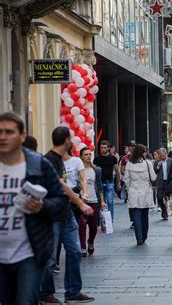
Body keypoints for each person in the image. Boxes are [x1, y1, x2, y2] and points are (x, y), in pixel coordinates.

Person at [0, 112, 68, 305]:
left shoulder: (38, 164)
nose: (3, 136)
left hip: (28, 251)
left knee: (26, 300)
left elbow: (61, 201)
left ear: (22, 136)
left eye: (9, 132)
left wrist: (42, 205)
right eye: (0, 132)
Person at [40, 126, 94, 304]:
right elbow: (61, 185)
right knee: (49, 258)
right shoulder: (49, 160)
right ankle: (46, 293)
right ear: (67, 141)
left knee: (74, 251)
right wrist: (80, 202)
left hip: (66, 213)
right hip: (53, 215)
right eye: (70, 138)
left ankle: (73, 291)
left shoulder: (61, 159)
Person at [124, 144, 157, 245]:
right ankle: (144, 235)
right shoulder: (147, 163)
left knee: (136, 214)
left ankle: (139, 237)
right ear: (142, 152)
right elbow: (153, 178)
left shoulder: (129, 164)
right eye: (145, 151)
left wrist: (129, 188)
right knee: (144, 214)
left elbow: (126, 179)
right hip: (145, 191)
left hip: (133, 191)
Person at [79, 147, 106, 256]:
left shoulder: (96, 170)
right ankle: (83, 248)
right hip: (82, 201)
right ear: (81, 156)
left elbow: (99, 187)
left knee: (94, 226)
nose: (88, 156)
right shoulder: (79, 170)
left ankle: (90, 241)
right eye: (86, 154)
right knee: (82, 225)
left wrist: (102, 201)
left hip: (94, 200)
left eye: (90, 154)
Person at [94, 140, 121, 221]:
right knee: (101, 202)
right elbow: (94, 172)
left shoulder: (113, 158)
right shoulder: (97, 159)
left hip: (110, 182)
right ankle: (102, 219)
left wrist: (118, 182)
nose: (103, 149)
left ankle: (110, 219)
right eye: (102, 147)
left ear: (108, 148)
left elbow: (117, 171)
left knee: (110, 201)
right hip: (100, 183)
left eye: (105, 147)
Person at [155, 148, 172, 220]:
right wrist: (158, 166)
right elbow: (154, 172)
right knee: (159, 198)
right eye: (161, 156)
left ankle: (165, 212)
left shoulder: (171, 161)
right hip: (160, 182)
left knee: (167, 198)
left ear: (166, 154)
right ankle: (163, 209)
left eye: (163, 155)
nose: (162, 157)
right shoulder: (157, 162)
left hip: (168, 182)